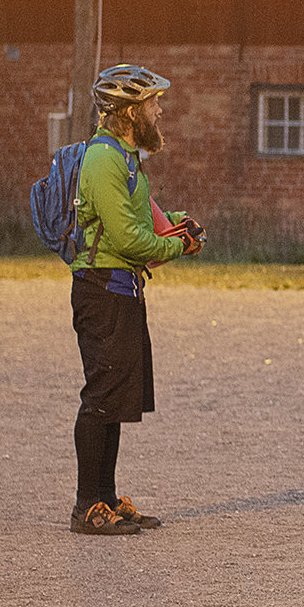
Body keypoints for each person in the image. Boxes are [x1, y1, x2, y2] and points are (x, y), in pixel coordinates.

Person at [67, 64, 204, 535]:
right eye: (152, 103)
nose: (159, 110)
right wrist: (176, 247)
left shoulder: (126, 158)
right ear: (128, 112)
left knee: (117, 400)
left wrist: (179, 224)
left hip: (122, 290)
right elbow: (127, 238)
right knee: (101, 396)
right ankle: (86, 507)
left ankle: (106, 498)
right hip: (102, 291)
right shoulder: (104, 160)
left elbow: (138, 219)